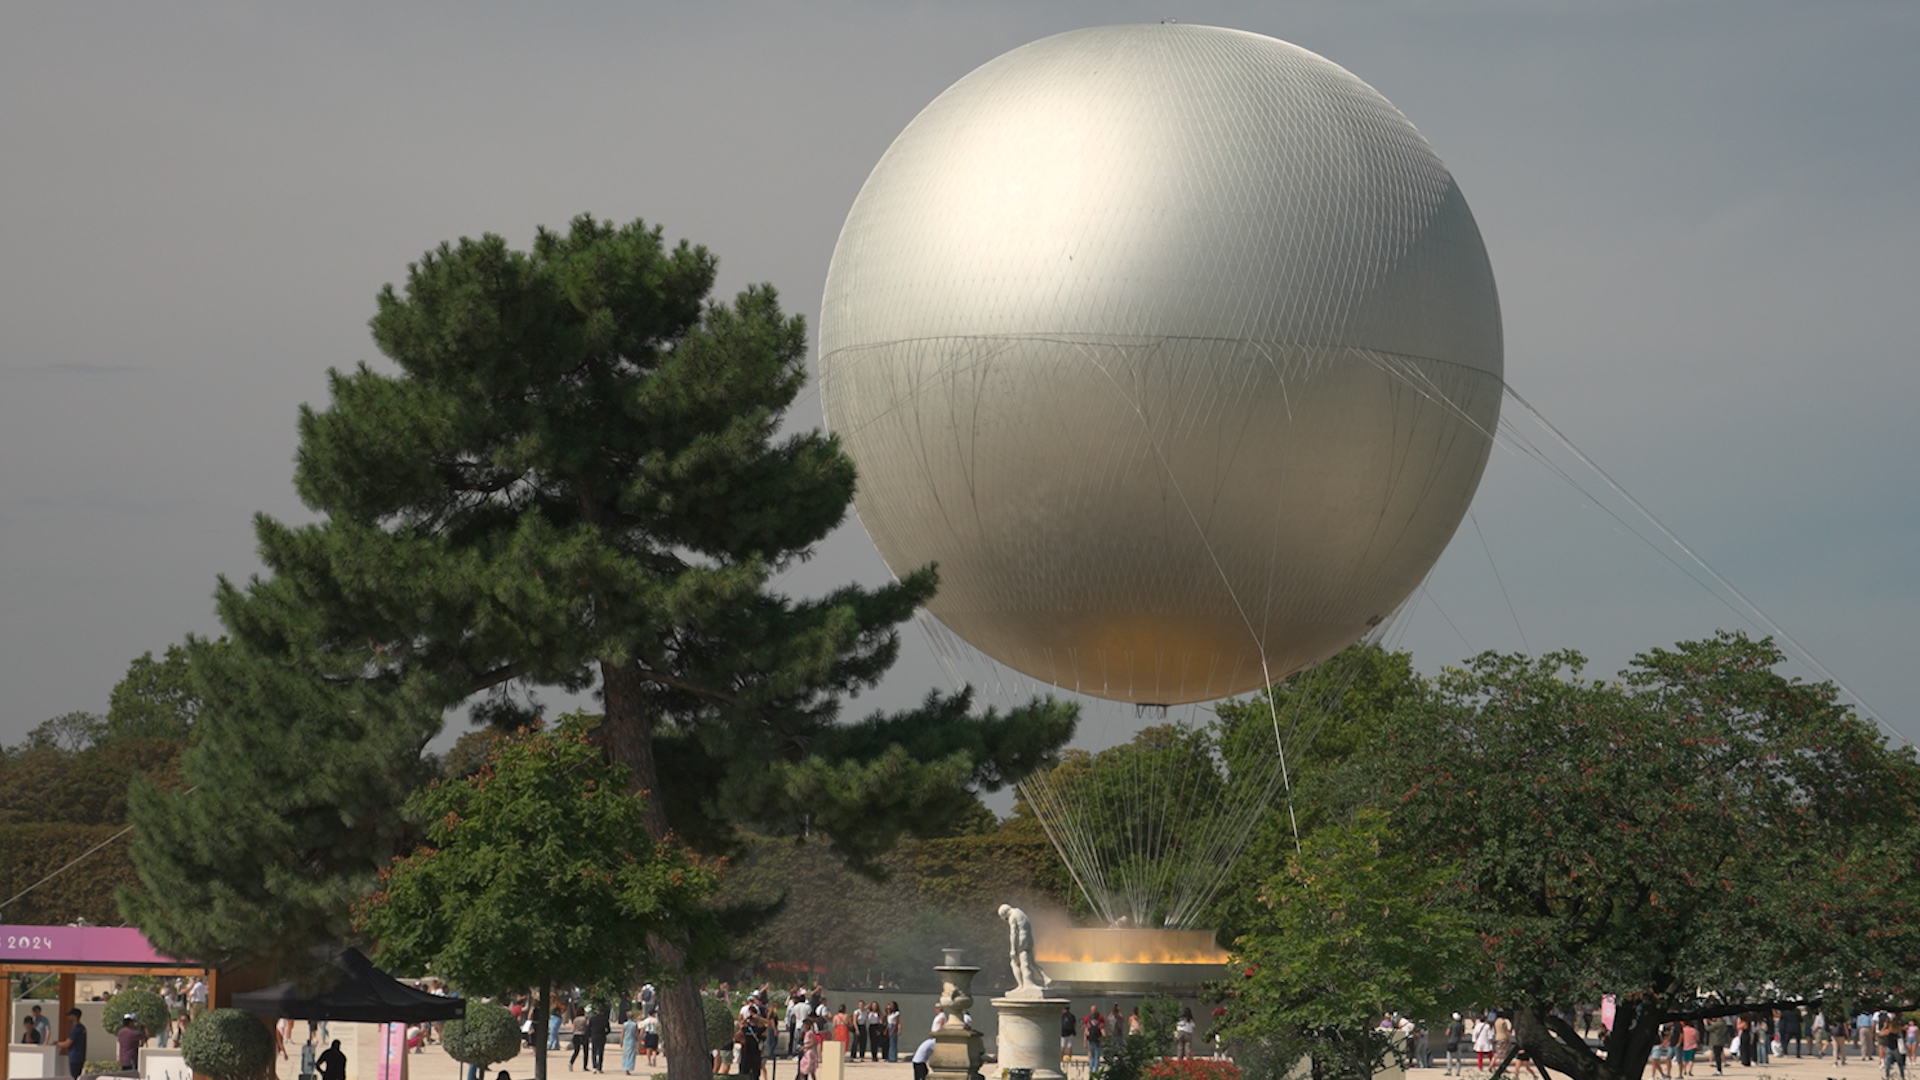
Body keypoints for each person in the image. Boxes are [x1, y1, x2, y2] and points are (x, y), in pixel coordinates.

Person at [56, 1007, 87, 1080]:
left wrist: (57, 1043)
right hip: (81, 1057)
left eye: (70, 1015)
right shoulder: (82, 1028)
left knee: (74, 1077)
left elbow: (67, 1043)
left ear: (74, 1016)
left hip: (75, 1057)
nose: (68, 1017)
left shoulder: (76, 1029)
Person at [589, 1006, 611, 1073]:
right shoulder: (605, 1019)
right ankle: (600, 1067)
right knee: (601, 1052)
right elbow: (609, 1029)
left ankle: (594, 1066)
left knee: (594, 1051)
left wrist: (590, 1034)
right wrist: (605, 1033)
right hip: (602, 1036)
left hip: (594, 1036)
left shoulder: (592, 1018)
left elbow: (589, 1027)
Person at [1084, 1007, 1106, 1073]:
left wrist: (1085, 1042)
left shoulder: (1089, 1023)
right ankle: (1095, 1071)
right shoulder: (1100, 1024)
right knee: (1097, 1058)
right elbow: (1104, 1034)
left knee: (1092, 1057)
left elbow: (1085, 1033)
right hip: (1097, 1042)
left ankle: (1090, 1070)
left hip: (1090, 1041)